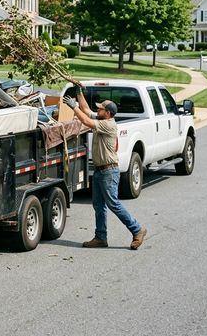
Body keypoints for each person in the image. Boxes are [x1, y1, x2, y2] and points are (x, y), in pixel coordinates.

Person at [63, 88, 147, 250]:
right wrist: (79, 93)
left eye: (100, 109)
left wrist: (74, 107)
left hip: (109, 171)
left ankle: (137, 229)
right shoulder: (103, 119)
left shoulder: (107, 125)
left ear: (107, 113)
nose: (97, 110)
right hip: (100, 170)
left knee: (113, 203)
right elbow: (87, 111)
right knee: (98, 205)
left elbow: (86, 121)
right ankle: (101, 237)